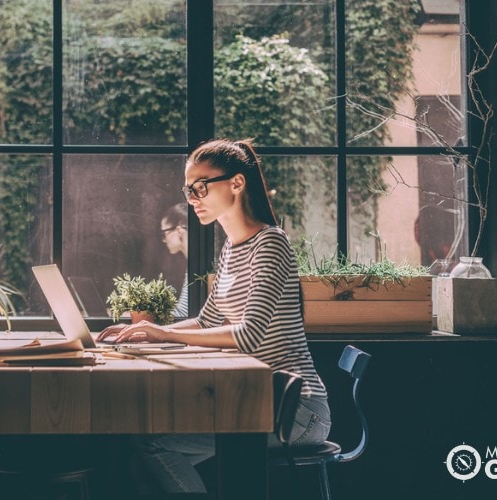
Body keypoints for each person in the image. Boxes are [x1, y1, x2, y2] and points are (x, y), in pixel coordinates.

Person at [99, 139, 330, 495]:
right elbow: (208, 321)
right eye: (188, 189)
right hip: (255, 400)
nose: (192, 198)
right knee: (139, 457)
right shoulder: (230, 250)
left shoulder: (271, 243)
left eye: (200, 187)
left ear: (236, 183)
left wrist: (165, 336)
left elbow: (248, 335)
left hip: (297, 410)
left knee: (154, 445)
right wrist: (147, 330)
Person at [160, 203, 189, 317]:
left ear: (179, 230)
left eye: (164, 233)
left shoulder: (196, 266)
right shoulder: (192, 264)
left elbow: (183, 314)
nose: (164, 240)